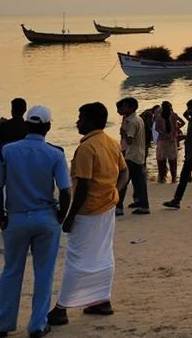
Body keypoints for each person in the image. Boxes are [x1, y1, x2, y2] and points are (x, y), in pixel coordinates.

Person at [0, 106, 71, 338]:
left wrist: (1, 217)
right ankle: (37, 325)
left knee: (11, 271)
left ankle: (4, 324)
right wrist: (61, 216)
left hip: (16, 217)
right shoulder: (55, 153)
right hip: (46, 217)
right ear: (48, 127)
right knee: (44, 273)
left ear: (27, 125)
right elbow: (65, 191)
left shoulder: (8, 151)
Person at [47, 102, 128, 327]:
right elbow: (125, 172)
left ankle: (61, 308)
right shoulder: (111, 143)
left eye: (80, 118)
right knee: (102, 253)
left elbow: (82, 186)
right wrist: (114, 191)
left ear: (90, 121)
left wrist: (70, 216)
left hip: (87, 211)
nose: (77, 122)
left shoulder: (86, 148)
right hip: (107, 208)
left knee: (77, 258)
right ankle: (102, 300)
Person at [115, 98, 149, 216]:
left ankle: (118, 207)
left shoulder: (133, 122)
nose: (123, 108)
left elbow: (129, 140)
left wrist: (123, 133)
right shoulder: (136, 119)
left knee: (123, 181)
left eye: (125, 106)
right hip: (137, 154)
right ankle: (142, 204)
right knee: (139, 181)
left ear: (130, 107)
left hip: (132, 155)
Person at [154, 102, 184, 183]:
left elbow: (156, 129)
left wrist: (163, 132)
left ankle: (162, 177)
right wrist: (176, 128)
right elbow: (183, 122)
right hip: (171, 140)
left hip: (162, 141)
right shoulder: (173, 115)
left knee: (161, 160)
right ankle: (174, 178)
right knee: (173, 160)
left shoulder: (158, 117)